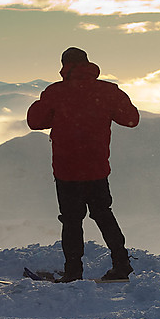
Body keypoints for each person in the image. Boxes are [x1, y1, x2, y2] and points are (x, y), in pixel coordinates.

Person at [27, 47, 140, 282]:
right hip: (97, 168)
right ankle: (122, 265)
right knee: (103, 214)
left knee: (71, 220)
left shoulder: (56, 92)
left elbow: (34, 121)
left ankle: (73, 273)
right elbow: (131, 119)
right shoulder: (108, 91)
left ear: (64, 67)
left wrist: (57, 114)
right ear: (88, 64)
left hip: (67, 170)